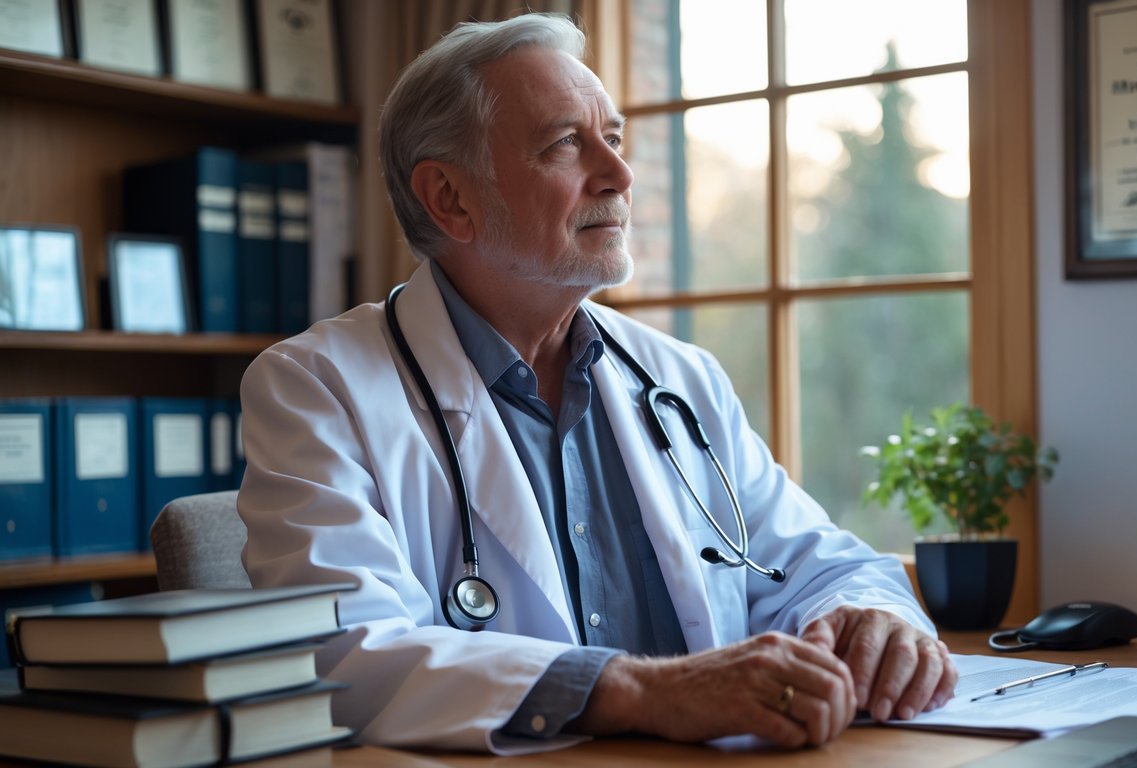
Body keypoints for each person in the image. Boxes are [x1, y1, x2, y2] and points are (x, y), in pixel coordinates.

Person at [237, 12, 957, 755]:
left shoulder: (679, 377)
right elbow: (345, 656)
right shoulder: (316, 388)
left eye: (611, 138)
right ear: (450, 199)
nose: (619, 174)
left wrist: (873, 618)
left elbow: (821, 563)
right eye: (565, 144)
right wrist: (645, 692)